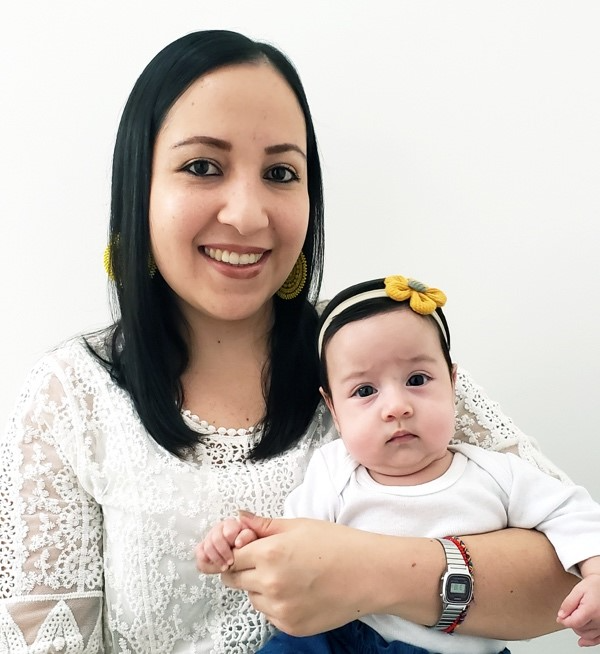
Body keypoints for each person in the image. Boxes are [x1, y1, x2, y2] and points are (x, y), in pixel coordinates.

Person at [0, 29, 594, 654]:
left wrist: (369, 571)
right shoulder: (70, 396)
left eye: (281, 172)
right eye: (202, 167)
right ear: (138, 188)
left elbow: (567, 571)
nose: (248, 215)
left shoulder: (376, 357)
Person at [198, 274, 600, 653]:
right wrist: (239, 540)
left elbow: (572, 512)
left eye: (417, 380)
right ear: (333, 409)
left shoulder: (498, 473)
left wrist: (595, 571)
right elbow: (290, 543)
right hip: (345, 639)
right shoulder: (334, 470)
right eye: (365, 390)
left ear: (453, 385)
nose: (396, 407)